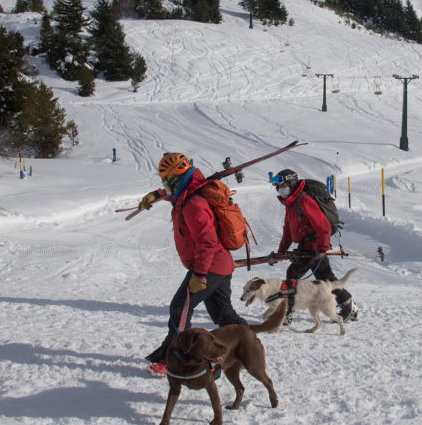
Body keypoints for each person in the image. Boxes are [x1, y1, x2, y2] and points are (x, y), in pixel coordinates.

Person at [141, 152, 247, 375]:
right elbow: (176, 194)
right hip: (220, 264)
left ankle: (172, 358)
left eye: (167, 181)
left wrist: (199, 275)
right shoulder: (188, 193)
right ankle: (248, 347)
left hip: (208, 265)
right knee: (223, 314)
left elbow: (207, 242)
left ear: (177, 178)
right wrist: (155, 195)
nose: (165, 186)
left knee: (179, 309)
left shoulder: (193, 204)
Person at [268, 168, 358, 323]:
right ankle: (348, 304)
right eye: (278, 187)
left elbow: (323, 226)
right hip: (306, 244)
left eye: (283, 186)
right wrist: (281, 251)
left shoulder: (304, 200)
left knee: (293, 276)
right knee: (325, 279)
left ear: (291, 183)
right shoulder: (290, 204)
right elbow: (288, 231)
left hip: (314, 244)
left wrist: (322, 249)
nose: (280, 190)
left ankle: (286, 312)